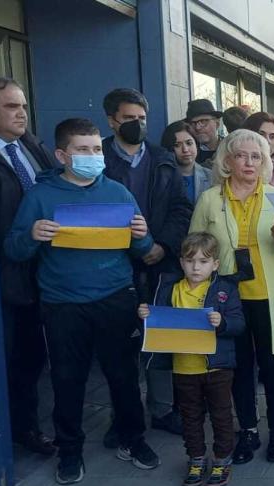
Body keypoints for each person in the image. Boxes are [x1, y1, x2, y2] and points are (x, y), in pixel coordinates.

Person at [5, 118, 159, 484]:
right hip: (63, 305)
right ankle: (70, 452)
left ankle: (132, 439)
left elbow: (141, 249)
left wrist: (141, 234)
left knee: (123, 377)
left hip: (116, 299)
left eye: (95, 149)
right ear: (62, 155)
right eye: (82, 150)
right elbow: (14, 249)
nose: (92, 156)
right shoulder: (41, 197)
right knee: (67, 381)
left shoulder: (118, 193)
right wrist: (33, 233)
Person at [189, 129, 274, 465]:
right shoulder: (210, 199)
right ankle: (248, 430)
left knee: (273, 365)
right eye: (241, 155)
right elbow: (194, 246)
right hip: (228, 297)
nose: (249, 162)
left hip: (269, 293)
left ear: (265, 161)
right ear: (227, 160)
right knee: (239, 367)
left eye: (256, 156)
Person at [102, 88, 192, 439]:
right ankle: (121, 416)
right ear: (112, 121)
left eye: (141, 119)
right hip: (115, 267)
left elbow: (181, 209)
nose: (136, 125)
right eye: (128, 119)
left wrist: (161, 245)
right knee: (118, 348)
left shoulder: (162, 158)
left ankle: (162, 410)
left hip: (159, 264)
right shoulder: (100, 161)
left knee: (160, 340)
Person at [0, 76, 58, 456]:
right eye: (11, 107)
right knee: (13, 356)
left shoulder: (32, 146)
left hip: (45, 272)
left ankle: (30, 423)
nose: (21, 113)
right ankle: (21, 429)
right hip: (6, 275)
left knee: (35, 355)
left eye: (23, 105)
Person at [139, 232, 245, 486]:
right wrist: (146, 314)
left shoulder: (224, 290)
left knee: (221, 415)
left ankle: (222, 458)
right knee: (190, 416)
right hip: (183, 367)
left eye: (203, 261)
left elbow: (239, 325)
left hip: (217, 367)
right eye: (190, 261)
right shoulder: (170, 289)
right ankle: (196, 458)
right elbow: (160, 322)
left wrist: (223, 323)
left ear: (215, 265)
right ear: (181, 262)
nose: (196, 267)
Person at [160, 120, 212, 205]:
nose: (185, 149)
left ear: (196, 144)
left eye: (189, 143)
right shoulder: (160, 178)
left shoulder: (211, 177)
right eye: (177, 145)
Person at [185, 99, 224, 167]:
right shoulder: (186, 153)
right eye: (193, 123)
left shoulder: (231, 147)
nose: (197, 127)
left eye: (203, 121)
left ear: (217, 124)